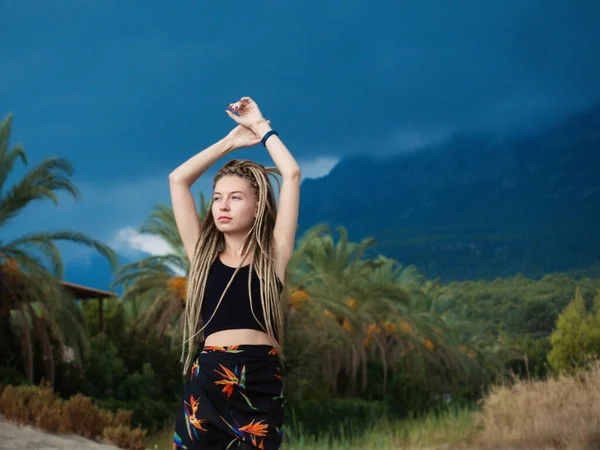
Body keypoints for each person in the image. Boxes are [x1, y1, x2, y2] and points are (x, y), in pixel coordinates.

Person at [169, 97, 301, 449]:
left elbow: (291, 174)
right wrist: (230, 142)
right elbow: (178, 180)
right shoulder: (203, 256)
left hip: (260, 382)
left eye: (236, 198)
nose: (223, 206)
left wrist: (262, 129)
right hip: (208, 384)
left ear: (258, 205)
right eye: (216, 198)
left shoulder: (273, 255)